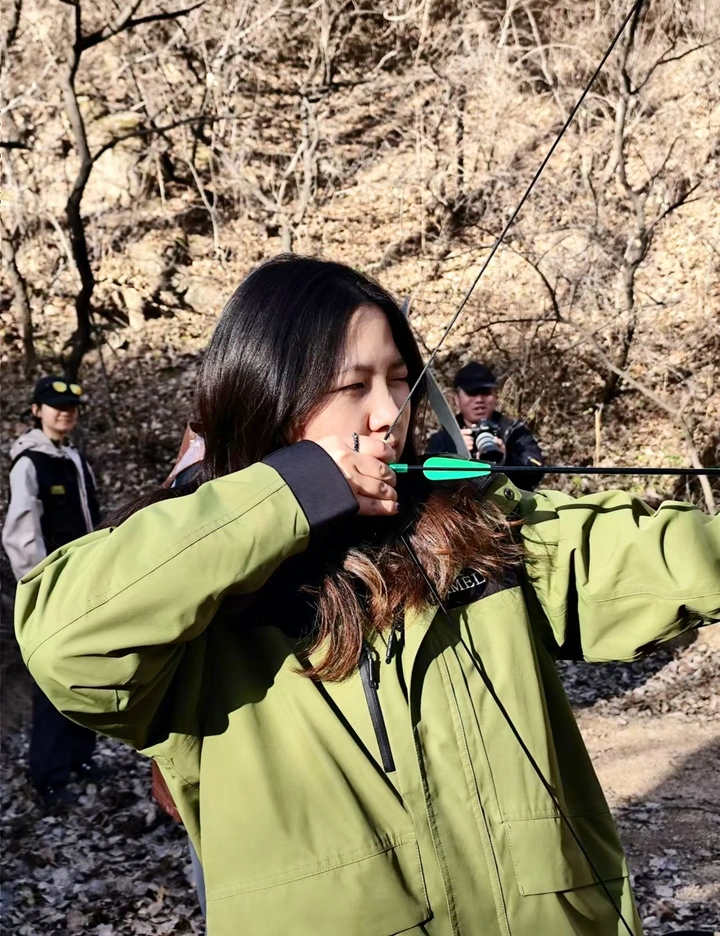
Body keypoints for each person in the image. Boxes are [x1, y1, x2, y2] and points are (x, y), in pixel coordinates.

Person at [13, 256, 719, 936]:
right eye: (354, 386)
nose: (389, 413)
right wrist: (290, 492)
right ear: (267, 395)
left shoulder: (475, 524)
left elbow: (662, 555)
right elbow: (64, 639)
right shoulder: (205, 583)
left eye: (401, 381)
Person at [3, 376, 101, 809]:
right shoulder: (29, 462)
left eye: (70, 406)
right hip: (53, 591)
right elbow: (20, 534)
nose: (64, 412)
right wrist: (40, 587)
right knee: (51, 681)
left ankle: (81, 757)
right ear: (36, 411)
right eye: (54, 405)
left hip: (86, 586)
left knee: (86, 674)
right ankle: (48, 777)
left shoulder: (74, 458)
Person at [426, 361, 545, 489]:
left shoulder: (513, 432)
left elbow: (537, 471)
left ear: (496, 396)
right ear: (457, 398)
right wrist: (452, 453)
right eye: (472, 393)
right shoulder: (444, 438)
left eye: (486, 392)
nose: (479, 400)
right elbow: (427, 479)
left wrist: (506, 459)